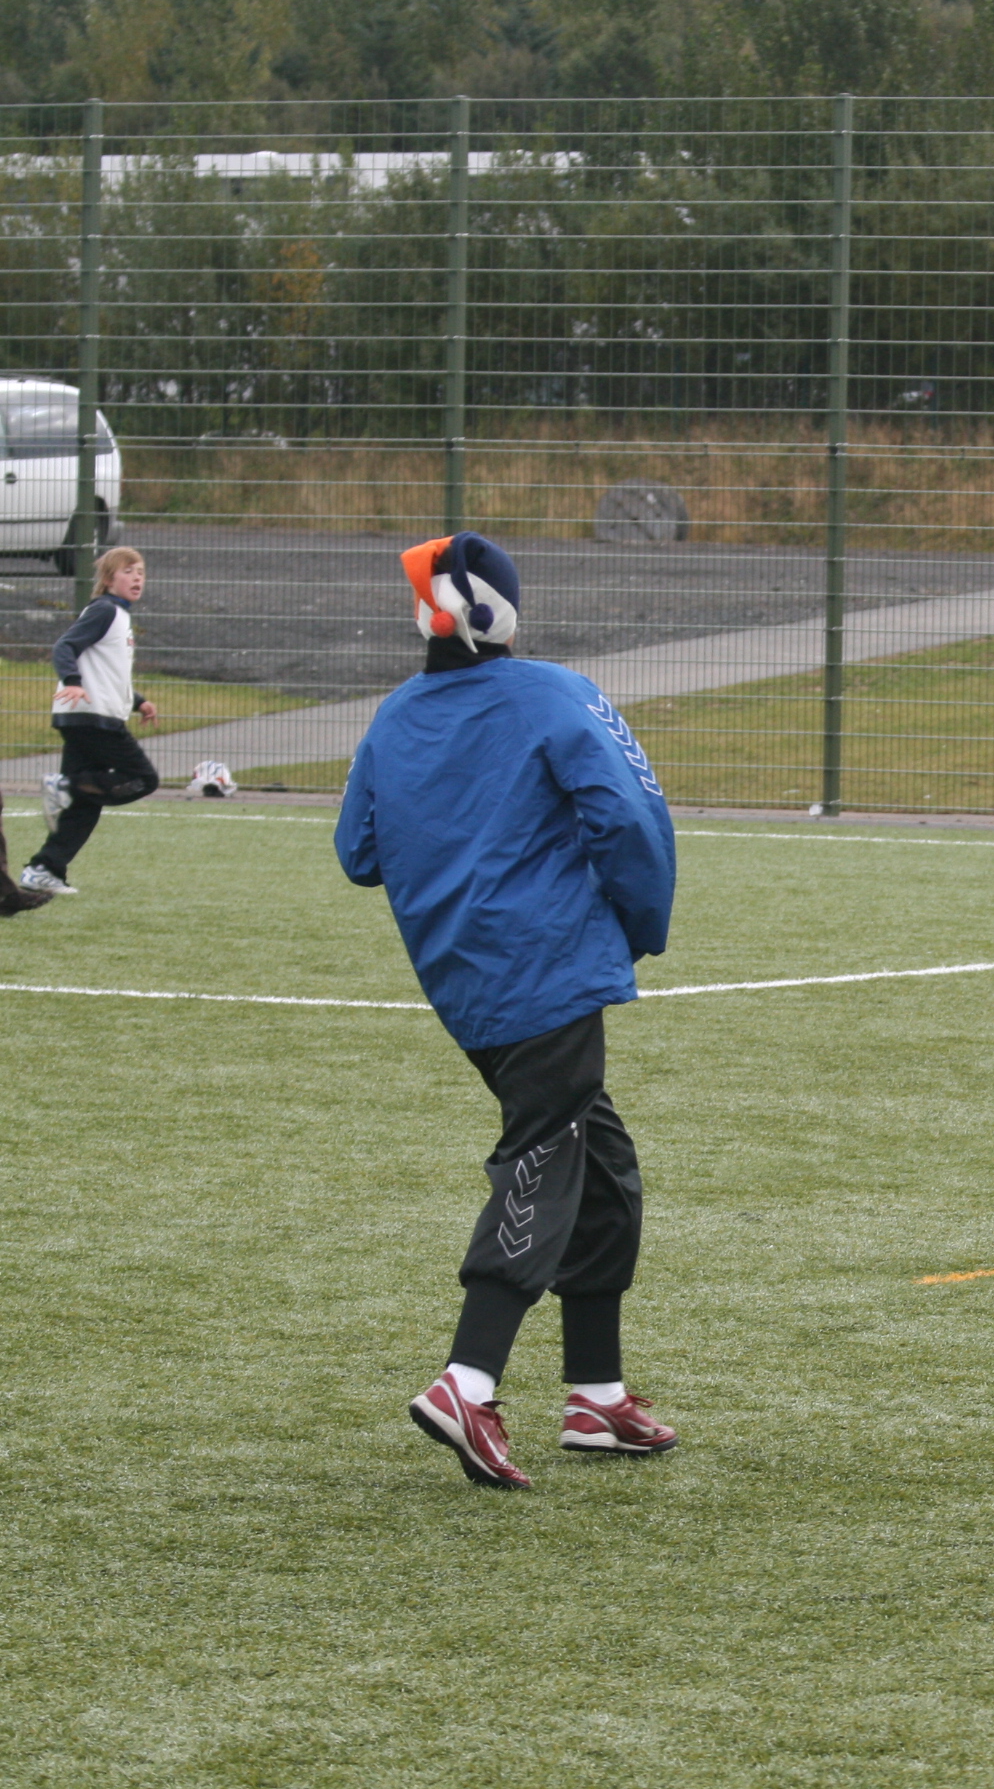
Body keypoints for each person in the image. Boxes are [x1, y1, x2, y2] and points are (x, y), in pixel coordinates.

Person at [337, 533, 681, 1491]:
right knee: (545, 1152)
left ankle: (596, 1395)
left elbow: (358, 852)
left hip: (463, 980)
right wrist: (640, 925)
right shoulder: (553, 692)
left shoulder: (395, 713)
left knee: (602, 1166)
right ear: (499, 612)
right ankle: (467, 1379)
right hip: (546, 966)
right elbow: (631, 817)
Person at [21, 546, 159, 898]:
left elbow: (107, 671)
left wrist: (138, 701)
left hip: (86, 716)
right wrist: (72, 681)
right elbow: (64, 646)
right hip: (92, 718)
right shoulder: (105, 610)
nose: (137, 577)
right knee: (143, 779)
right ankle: (65, 786)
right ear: (109, 579)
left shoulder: (118, 616)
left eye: (141, 571)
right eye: (128, 571)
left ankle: (44, 870)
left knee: (87, 803)